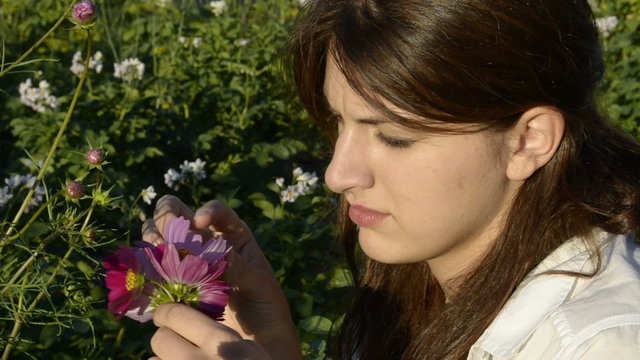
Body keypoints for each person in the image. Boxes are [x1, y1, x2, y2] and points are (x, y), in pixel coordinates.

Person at [142, 0, 640, 359]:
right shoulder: (418, 281)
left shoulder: (600, 344)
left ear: (528, 140)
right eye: (339, 120)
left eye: (395, 137)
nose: (337, 176)